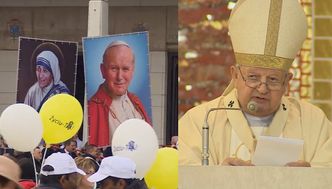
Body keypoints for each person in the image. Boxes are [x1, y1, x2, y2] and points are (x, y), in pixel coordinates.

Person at [179, 0, 332, 167]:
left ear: (287, 81)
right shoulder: (199, 121)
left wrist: (309, 178)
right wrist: (219, 178)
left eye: (273, 80)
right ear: (235, 75)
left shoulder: (314, 122)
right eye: (253, 77)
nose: (262, 88)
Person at [88, 41, 151, 147]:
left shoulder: (136, 102)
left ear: (132, 71)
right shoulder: (93, 107)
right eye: (114, 68)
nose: (119, 77)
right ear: (103, 70)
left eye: (125, 69)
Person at [24, 42, 70, 111]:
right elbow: (25, 113)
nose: (40, 75)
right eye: (38, 69)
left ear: (53, 73)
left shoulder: (61, 92)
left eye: (45, 71)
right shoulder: (32, 92)